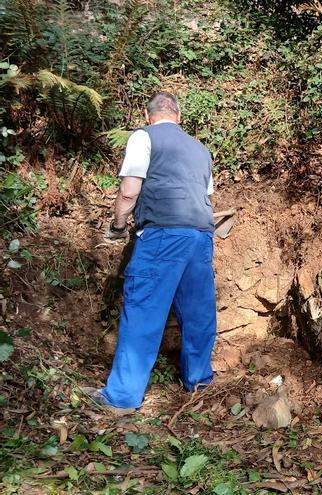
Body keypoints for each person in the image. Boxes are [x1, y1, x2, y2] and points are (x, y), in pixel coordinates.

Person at [83, 92, 217, 413]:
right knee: (198, 312)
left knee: (143, 311)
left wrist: (117, 225)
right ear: (179, 117)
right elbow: (209, 198)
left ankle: (123, 397)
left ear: (148, 115)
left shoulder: (144, 137)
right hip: (200, 237)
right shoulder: (202, 150)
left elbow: (129, 190)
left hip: (162, 236)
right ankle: (199, 383)